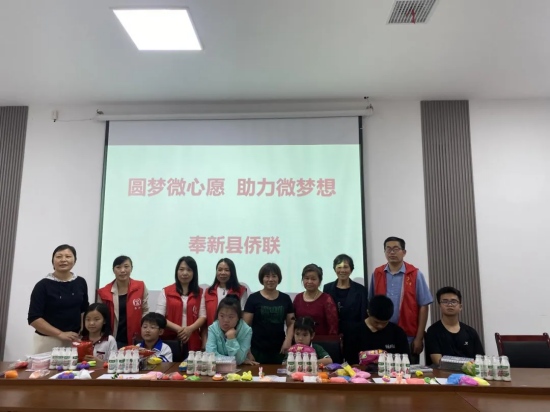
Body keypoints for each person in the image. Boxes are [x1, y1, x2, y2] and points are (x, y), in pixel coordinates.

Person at [369, 236, 433, 363]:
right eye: (388, 249)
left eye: (396, 249)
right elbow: (371, 303)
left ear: (404, 252)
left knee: (408, 371)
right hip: (381, 333)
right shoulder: (377, 273)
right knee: (380, 371)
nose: (392, 252)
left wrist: (419, 338)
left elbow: (424, 306)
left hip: (408, 335)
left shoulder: (415, 274)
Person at [27, 244, 89, 353]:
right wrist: (60, 334)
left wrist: (83, 332)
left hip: (74, 339)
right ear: (53, 261)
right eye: (59, 256)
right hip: (48, 340)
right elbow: (34, 318)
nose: (63, 260)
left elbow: (84, 310)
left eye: (68, 256)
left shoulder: (81, 282)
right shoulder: (42, 285)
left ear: (75, 260)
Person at [243, 263, 295, 364]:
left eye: (274, 276)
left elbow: (291, 323)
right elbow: (245, 326)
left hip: (279, 349)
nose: (270, 279)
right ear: (262, 278)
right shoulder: (253, 298)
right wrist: (247, 350)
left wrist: (288, 340)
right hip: (257, 349)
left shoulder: (285, 298)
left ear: (278, 278)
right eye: (267, 276)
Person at [156, 256, 206, 356]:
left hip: (193, 338)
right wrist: (179, 329)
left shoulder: (200, 292)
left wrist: (189, 329)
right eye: (181, 269)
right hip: (171, 339)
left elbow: (203, 316)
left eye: (189, 270)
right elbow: (159, 317)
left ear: (194, 273)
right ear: (177, 271)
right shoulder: (166, 291)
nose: (185, 273)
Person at [323, 254, 368, 364]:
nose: (342, 270)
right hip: (333, 335)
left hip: (354, 335)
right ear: (334, 269)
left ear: (351, 269)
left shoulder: (361, 290)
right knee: (333, 366)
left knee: (353, 366)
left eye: (346, 267)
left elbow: (363, 315)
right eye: (339, 267)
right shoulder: (327, 288)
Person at [97, 255, 149, 348]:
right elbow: (100, 316)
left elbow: (145, 311)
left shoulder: (140, 286)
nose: (122, 270)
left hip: (136, 337)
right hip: (113, 338)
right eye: (118, 267)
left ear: (131, 268)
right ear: (113, 270)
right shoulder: (104, 292)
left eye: (126, 266)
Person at [425, 287, 485, 365]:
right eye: (445, 301)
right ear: (440, 306)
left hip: (469, 372)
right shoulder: (433, 331)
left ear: (460, 307)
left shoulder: (471, 332)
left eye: (454, 301)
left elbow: (481, 360)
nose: (449, 304)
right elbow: (438, 362)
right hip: (443, 372)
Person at [203, 258, 248, 348]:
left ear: (232, 272)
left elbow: (243, 317)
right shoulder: (208, 291)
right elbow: (205, 320)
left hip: (234, 336)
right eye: (220, 270)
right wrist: (204, 341)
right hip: (213, 337)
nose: (222, 273)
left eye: (227, 270)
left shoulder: (240, 291)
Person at [347, 295, 410, 359]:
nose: (380, 326)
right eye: (376, 322)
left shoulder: (398, 333)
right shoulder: (355, 332)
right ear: (368, 313)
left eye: (384, 323)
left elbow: (406, 359)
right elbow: (351, 360)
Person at [205, 294, 252, 365]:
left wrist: (231, 339)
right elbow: (210, 355)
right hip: (217, 369)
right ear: (217, 315)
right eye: (222, 316)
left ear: (238, 317)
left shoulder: (246, 330)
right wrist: (231, 360)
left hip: (238, 369)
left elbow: (238, 360)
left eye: (231, 317)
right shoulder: (213, 328)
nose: (226, 320)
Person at [293, 264, 339, 336]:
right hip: (300, 340)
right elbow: (293, 322)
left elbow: (333, 326)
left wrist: (330, 341)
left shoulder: (326, 299)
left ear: (320, 281)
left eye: (313, 279)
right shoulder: (298, 298)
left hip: (321, 341)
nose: (309, 282)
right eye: (306, 278)